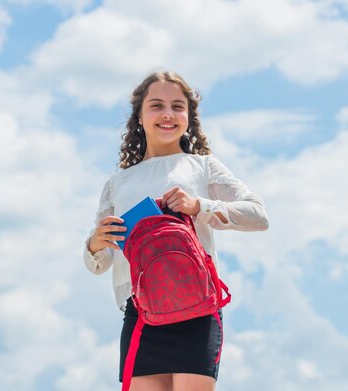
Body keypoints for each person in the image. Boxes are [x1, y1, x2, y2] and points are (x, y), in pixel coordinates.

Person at [83, 70, 269, 391]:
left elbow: (258, 215)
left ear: (188, 117)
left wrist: (200, 206)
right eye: (156, 105)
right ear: (139, 117)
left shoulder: (203, 166)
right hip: (140, 312)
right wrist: (95, 243)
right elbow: (99, 265)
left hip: (197, 308)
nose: (168, 114)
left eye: (177, 106)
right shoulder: (117, 184)